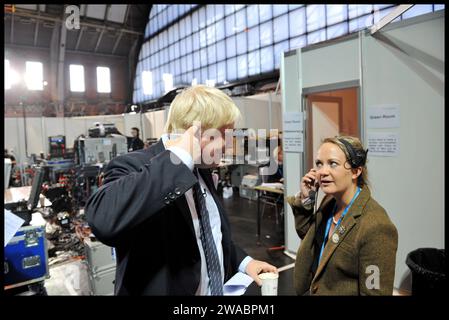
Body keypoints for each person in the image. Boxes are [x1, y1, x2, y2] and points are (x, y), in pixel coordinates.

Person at [86, 85, 277, 295]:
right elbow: (103, 220)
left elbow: (210, 236)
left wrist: (245, 262)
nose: (229, 146)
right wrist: (178, 157)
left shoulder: (202, 171)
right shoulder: (133, 166)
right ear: (196, 132)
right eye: (223, 134)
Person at [286, 136, 398, 295]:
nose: (322, 172)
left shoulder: (376, 227)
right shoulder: (330, 201)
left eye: (333, 163)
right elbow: (309, 238)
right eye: (319, 164)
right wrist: (307, 199)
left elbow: (374, 292)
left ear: (355, 171)